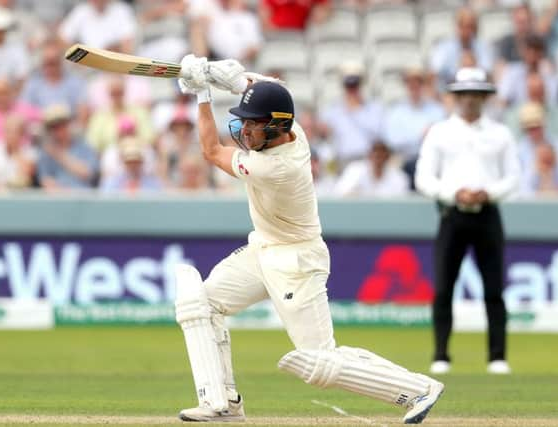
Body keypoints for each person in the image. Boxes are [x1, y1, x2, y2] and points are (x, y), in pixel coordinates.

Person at [171, 55, 444, 424]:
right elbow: (268, 89)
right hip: (262, 249)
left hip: (296, 262)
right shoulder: (293, 132)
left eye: (253, 125)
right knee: (201, 302)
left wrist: (202, 93)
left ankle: (419, 389)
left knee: (319, 362)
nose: (246, 132)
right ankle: (222, 403)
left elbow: (211, 151)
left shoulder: (274, 166)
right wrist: (232, 80)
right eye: (245, 123)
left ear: (277, 127)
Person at [415, 67, 521, 376]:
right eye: (464, 94)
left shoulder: (500, 133)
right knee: (444, 287)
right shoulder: (440, 132)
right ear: (456, 97)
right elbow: (424, 178)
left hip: (487, 215)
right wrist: (453, 193)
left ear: (485, 97)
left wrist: (487, 193)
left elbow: (513, 177)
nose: (470, 101)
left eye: (476, 94)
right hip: (452, 215)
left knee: (494, 289)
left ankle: (497, 357)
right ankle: (441, 354)